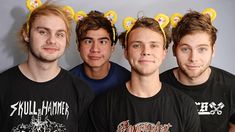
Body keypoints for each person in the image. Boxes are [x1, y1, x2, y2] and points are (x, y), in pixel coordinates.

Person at [89, 16, 201, 132]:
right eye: (137, 45)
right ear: (126, 52)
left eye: (153, 45)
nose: (146, 52)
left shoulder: (185, 106)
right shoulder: (104, 105)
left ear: (164, 52)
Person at [0, 2, 94, 131]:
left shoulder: (81, 92)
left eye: (59, 34)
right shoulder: (3, 86)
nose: (52, 40)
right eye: (43, 32)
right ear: (26, 35)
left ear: (66, 40)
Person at [160, 10, 235, 132]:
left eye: (202, 49)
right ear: (174, 50)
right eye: (185, 49)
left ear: (213, 50)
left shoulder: (232, 86)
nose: (193, 58)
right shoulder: (158, 86)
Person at [70, 10, 131, 95]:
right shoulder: (67, 83)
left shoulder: (128, 81)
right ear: (78, 46)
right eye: (88, 41)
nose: (95, 49)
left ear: (112, 47)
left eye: (102, 42)